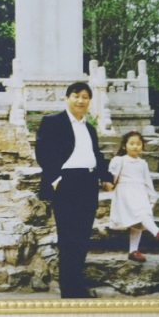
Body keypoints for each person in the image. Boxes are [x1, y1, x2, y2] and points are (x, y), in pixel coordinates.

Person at [34, 82, 115, 298]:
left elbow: (96, 155)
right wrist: (56, 179)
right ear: (67, 98)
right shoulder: (53, 122)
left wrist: (105, 177)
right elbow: (43, 152)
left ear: (90, 101)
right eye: (76, 96)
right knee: (68, 238)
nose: (80, 100)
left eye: (85, 97)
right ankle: (69, 291)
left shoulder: (89, 128)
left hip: (88, 184)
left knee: (82, 237)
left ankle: (77, 285)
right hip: (66, 183)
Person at [108, 130, 159, 262]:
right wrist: (108, 185)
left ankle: (133, 251)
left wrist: (152, 196)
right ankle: (156, 231)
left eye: (138, 144)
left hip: (140, 193)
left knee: (140, 219)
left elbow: (147, 181)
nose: (135, 146)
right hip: (126, 193)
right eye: (131, 143)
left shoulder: (143, 163)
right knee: (140, 214)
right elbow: (111, 176)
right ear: (124, 146)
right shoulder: (119, 160)